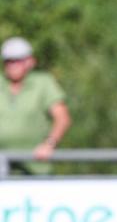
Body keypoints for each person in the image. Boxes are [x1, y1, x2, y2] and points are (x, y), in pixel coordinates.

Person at [0, 37, 70, 174]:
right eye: (9, 61)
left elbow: (62, 118)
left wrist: (49, 144)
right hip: (2, 167)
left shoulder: (43, 83)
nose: (13, 65)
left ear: (30, 61)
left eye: (18, 60)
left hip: (36, 167)